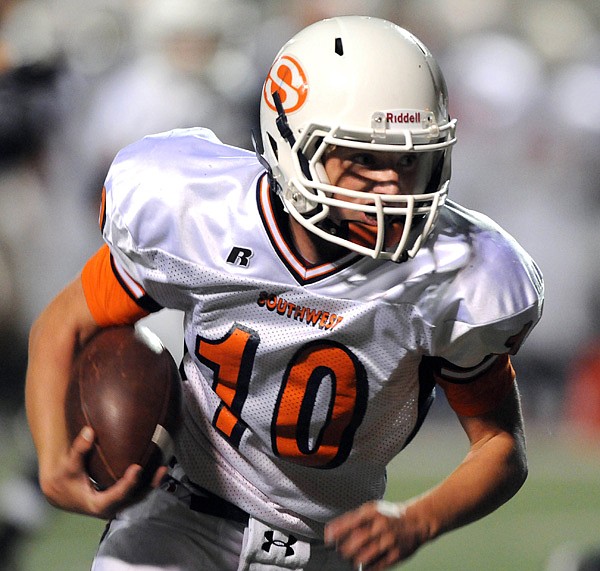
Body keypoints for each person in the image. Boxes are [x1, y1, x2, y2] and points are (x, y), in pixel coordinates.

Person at [25, 16, 544, 571]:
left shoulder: (458, 274)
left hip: (332, 548)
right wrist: (54, 461)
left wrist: (418, 518)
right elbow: (65, 323)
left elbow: (500, 447)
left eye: (409, 159)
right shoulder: (201, 216)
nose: (394, 186)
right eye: (364, 158)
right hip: (178, 524)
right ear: (292, 145)